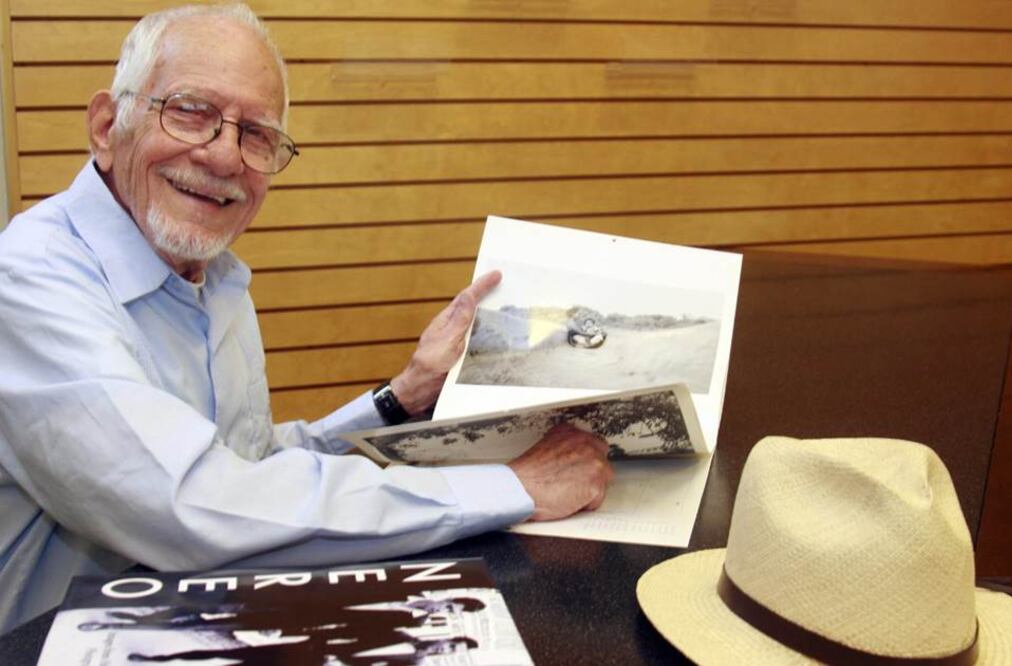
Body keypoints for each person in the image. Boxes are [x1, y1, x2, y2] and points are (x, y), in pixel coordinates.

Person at [0, 3, 613, 634]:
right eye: (191, 112)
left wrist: (398, 397)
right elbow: (189, 502)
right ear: (107, 126)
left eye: (257, 133)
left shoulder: (216, 277)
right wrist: (510, 487)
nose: (224, 156)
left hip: (195, 615)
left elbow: (250, 468)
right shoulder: (28, 280)